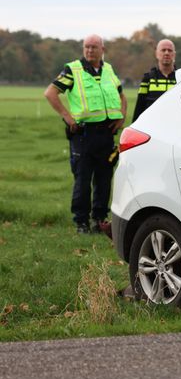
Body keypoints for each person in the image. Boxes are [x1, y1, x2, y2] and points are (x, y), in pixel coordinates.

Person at [43, 34, 127, 235]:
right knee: (82, 181)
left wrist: (122, 117)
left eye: (94, 47)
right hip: (83, 135)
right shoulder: (73, 70)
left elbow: (122, 95)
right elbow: (50, 93)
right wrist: (67, 117)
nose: (90, 50)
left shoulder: (108, 69)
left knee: (104, 179)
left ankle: (99, 220)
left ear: (102, 50)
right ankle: (81, 222)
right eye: (86, 47)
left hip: (106, 134)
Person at [133, 38, 177, 121]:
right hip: (152, 127)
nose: (166, 53)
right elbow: (140, 106)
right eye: (163, 50)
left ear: (174, 55)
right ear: (156, 54)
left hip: (174, 126)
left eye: (170, 50)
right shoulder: (148, 78)